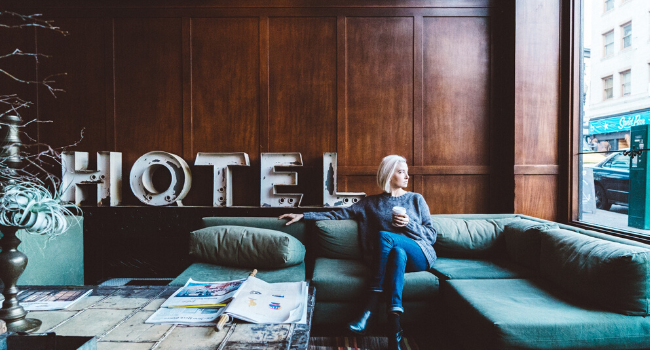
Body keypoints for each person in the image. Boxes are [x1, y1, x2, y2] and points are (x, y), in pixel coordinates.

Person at [279, 155, 436, 350]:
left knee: (386, 238)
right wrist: (304, 215)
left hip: (419, 254)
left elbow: (431, 235)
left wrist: (409, 224)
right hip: (394, 261)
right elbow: (337, 213)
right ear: (388, 174)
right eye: (401, 172)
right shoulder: (370, 203)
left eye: (407, 172)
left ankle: (369, 307)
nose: (407, 177)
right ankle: (394, 330)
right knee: (396, 252)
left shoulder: (416, 199)